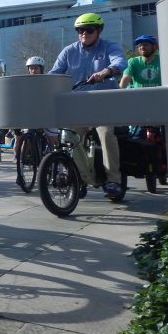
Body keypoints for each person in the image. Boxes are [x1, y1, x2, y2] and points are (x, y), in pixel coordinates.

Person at [49, 13, 127, 198]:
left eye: (89, 30)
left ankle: (113, 180)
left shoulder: (109, 47)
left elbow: (120, 62)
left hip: (104, 104)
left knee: (107, 134)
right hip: (78, 105)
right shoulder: (69, 51)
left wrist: (107, 71)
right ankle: (78, 176)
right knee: (69, 137)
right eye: (80, 30)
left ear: (98, 30)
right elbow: (54, 73)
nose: (84, 33)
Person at [13, 56, 58, 181]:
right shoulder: (23, 83)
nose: (33, 71)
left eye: (36, 68)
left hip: (46, 116)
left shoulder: (47, 81)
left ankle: (56, 166)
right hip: (30, 117)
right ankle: (20, 169)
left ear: (41, 69)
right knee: (22, 139)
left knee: (53, 140)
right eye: (31, 68)